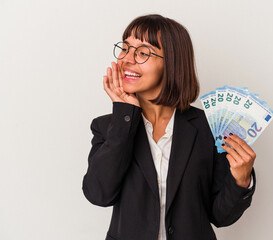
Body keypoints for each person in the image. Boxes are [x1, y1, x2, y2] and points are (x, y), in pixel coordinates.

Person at [82, 14, 256, 240]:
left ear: (172, 63)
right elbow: (99, 194)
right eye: (125, 48)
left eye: (143, 52)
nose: (127, 59)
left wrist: (241, 180)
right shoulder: (107, 127)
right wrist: (124, 117)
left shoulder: (209, 128)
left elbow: (221, 216)